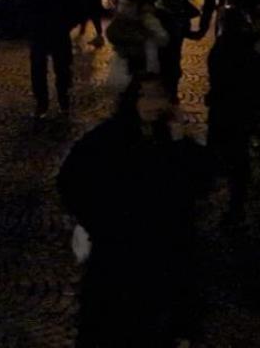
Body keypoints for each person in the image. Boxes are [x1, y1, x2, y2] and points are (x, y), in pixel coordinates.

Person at [58, 76, 205, 347]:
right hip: (120, 252)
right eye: (144, 96)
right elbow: (70, 180)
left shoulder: (171, 140)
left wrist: (179, 140)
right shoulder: (108, 138)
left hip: (164, 251)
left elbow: (199, 183)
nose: (152, 104)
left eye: (159, 96)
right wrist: (97, 222)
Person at [206, 6, 260, 229]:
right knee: (238, 157)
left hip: (225, 108)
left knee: (228, 155)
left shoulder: (223, 48)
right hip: (241, 108)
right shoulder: (251, 48)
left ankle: (231, 201)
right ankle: (235, 201)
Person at [21, 0, 81, 120]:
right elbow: (24, 7)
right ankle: (42, 103)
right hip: (40, 33)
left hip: (58, 32)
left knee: (61, 69)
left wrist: (66, 25)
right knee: (38, 70)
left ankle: (63, 100)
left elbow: (75, 8)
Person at [140, 0, 199, 104]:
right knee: (159, 54)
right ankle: (162, 87)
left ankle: (171, 89)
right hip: (158, 20)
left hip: (174, 19)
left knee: (173, 54)